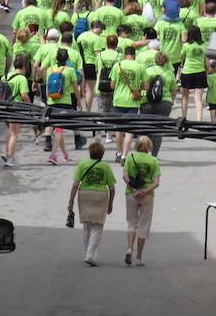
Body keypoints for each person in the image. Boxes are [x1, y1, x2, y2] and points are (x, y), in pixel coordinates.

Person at [67, 140, 117, 266]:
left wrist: (71, 201)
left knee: (87, 226)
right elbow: (112, 188)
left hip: (84, 194)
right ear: (102, 154)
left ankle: (89, 254)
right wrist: (111, 203)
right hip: (100, 196)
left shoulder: (83, 164)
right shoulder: (105, 167)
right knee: (97, 226)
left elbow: (75, 185)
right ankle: (90, 255)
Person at [123, 137, 161, 265]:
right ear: (149, 147)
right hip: (147, 195)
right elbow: (156, 182)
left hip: (131, 194)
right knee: (144, 225)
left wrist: (134, 189)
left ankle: (129, 248)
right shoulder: (154, 160)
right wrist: (144, 191)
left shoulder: (130, 157)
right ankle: (138, 257)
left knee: (131, 223)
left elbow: (125, 176)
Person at [43, 46, 80, 164]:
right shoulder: (70, 71)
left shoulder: (50, 69)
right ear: (67, 59)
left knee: (58, 129)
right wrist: (79, 102)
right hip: (65, 102)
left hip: (52, 102)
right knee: (59, 129)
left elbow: (47, 88)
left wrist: (48, 100)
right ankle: (53, 155)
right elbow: (75, 89)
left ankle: (65, 154)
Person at [110, 45, 145, 161]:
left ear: (125, 55)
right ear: (134, 55)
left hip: (118, 100)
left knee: (119, 128)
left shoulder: (117, 66)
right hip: (132, 101)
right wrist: (136, 85)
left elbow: (112, 85)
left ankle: (119, 152)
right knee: (129, 129)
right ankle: (125, 154)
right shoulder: (139, 66)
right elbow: (146, 86)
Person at [1, 54, 33, 167]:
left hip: (4, 107)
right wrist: (30, 107)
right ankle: (10, 158)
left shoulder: (5, 76)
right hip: (16, 108)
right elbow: (24, 95)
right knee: (14, 133)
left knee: (10, 131)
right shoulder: (22, 79)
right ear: (24, 66)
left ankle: (7, 153)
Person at [178, 26, 208, 120]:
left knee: (184, 97)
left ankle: (183, 117)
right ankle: (199, 120)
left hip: (187, 72)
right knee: (198, 98)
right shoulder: (204, 46)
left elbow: (181, 57)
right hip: (200, 72)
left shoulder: (186, 46)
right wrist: (206, 72)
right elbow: (207, 63)